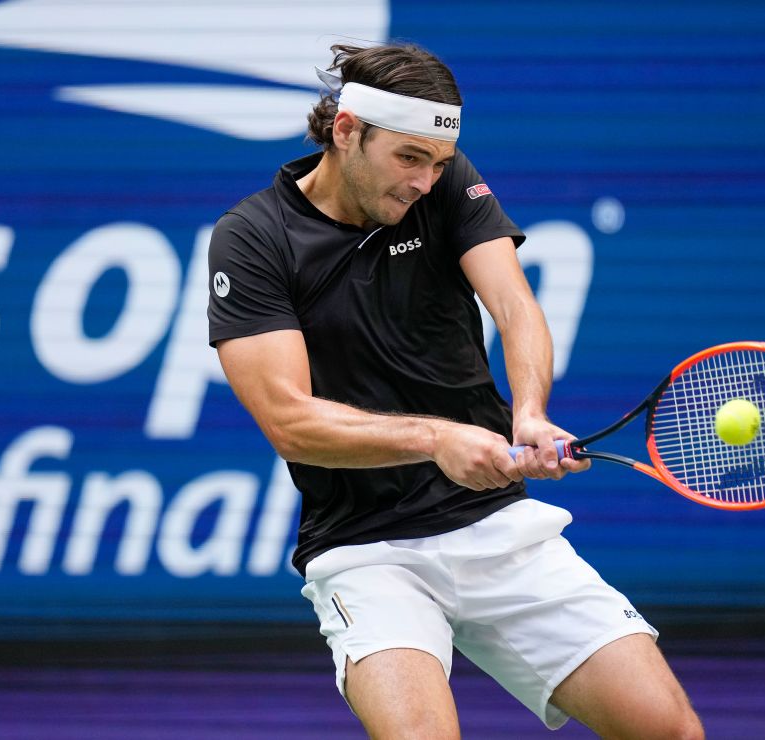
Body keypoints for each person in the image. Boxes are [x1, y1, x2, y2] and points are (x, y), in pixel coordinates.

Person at [207, 42, 703, 739]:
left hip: (497, 525)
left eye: (438, 162)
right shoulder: (253, 238)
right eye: (408, 158)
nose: (424, 180)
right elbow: (289, 421)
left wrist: (527, 413)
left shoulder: (442, 184)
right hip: (365, 549)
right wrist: (435, 438)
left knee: (668, 731)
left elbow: (515, 306)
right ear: (346, 131)